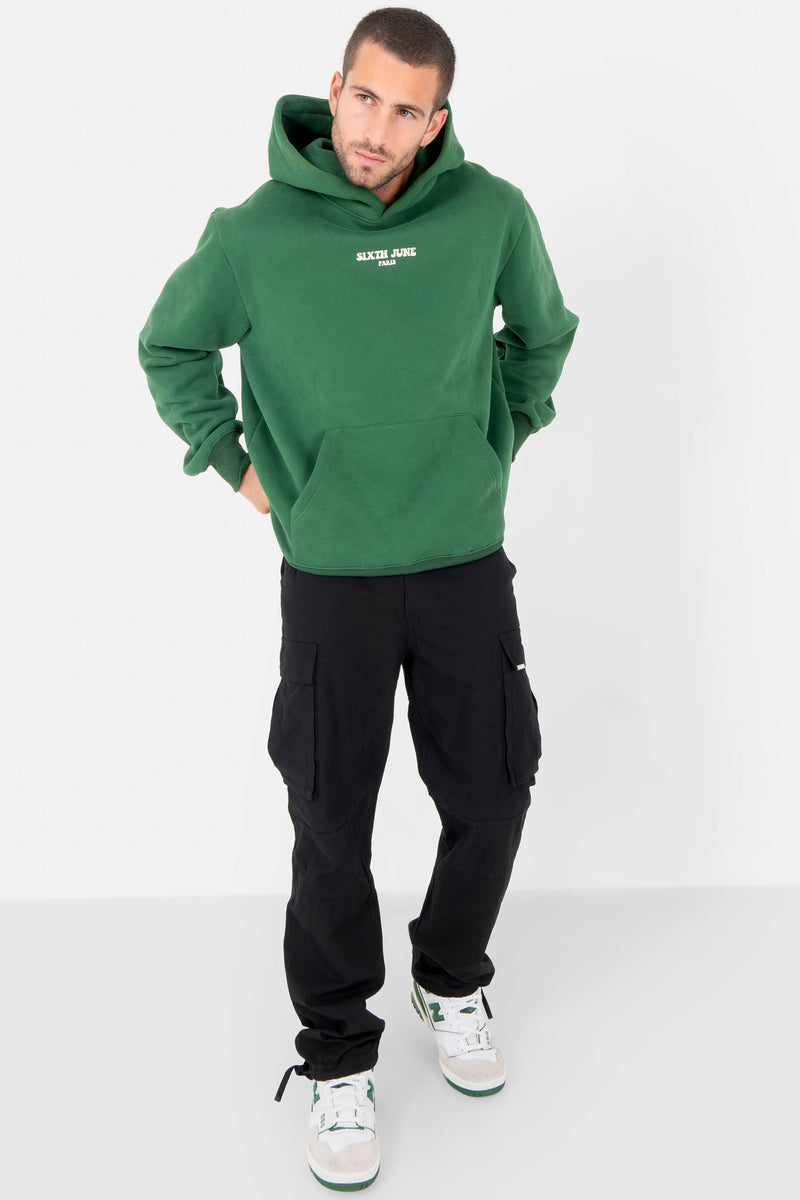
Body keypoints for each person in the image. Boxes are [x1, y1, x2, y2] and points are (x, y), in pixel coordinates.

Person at [138, 6, 579, 1190]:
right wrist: (241, 472)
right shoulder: (252, 234)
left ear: (435, 120)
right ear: (333, 90)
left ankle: (449, 977)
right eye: (365, 98)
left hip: (461, 558)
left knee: (492, 789)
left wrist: (494, 442)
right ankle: (337, 1053)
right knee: (329, 818)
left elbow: (542, 337)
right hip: (331, 575)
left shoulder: (490, 215)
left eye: (405, 110)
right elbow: (170, 348)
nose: (377, 129)